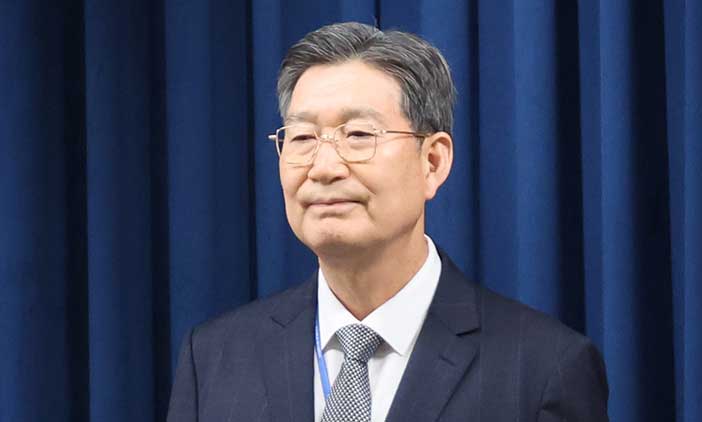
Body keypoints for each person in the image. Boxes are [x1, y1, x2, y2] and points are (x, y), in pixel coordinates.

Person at [166, 22, 609, 422]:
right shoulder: (213, 358)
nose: (323, 167)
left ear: (432, 162)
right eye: (302, 137)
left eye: (358, 135)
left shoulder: (542, 370)